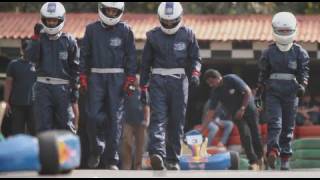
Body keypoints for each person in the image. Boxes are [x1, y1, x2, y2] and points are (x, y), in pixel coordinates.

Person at [140, 2, 202, 170]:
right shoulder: (152, 36)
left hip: (179, 81)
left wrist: (195, 74)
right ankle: (157, 155)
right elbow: (145, 63)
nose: (168, 24)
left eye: (171, 21)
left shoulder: (188, 34)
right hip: (158, 80)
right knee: (158, 119)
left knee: (176, 120)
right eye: (165, 21)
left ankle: (173, 159)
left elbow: (196, 58)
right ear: (160, 19)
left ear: (179, 18)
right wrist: (142, 86)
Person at [80, 2, 137, 170]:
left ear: (119, 11)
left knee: (115, 119)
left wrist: (130, 79)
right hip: (96, 76)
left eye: (114, 11)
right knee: (91, 115)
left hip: (117, 78)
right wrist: (82, 75)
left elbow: (131, 57)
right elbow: (84, 55)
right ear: (102, 9)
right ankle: (97, 148)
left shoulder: (126, 30)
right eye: (108, 10)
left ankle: (112, 159)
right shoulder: (91, 29)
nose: (111, 13)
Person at [256, 12, 310, 170]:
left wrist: (303, 86)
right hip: (273, 91)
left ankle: (285, 157)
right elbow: (262, 75)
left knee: (288, 126)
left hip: (292, 92)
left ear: (293, 30)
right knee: (275, 123)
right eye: (282, 31)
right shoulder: (268, 52)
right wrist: (258, 94)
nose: (285, 34)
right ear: (275, 30)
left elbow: (304, 72)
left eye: (287, 31)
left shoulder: (300, 52)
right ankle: (272, 151)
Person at [29, 2, 80, 134]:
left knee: (66, 127)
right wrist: (35, 38)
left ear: (61, 19)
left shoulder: (69, 41)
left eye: (54, 20)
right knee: (43, 128)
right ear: (43, 20)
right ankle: (45, 155)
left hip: (63, 90)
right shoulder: (39, 39)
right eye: (48, 20)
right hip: (42, 88)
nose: (51, 23)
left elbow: (75, 69)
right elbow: (31, 58)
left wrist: (74, 94)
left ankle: (67, 155)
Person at [200, 69, 264, 171]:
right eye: (209, 84)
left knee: (255, 134)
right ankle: (253, 162)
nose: (211, 85)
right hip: (236, 115)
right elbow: (210, 112)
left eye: (212, 82)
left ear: (217, 77)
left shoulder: (231, 79)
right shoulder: (215, 92)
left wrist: (242, 108)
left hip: (249, 109)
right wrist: (202, 129)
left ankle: (260, 158)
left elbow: (247, 91)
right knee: (245, 135)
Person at [3, 39, 37, 135]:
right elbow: (8, 84)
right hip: (17, 105)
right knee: (17, 133)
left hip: (33, 105)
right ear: (21, 50)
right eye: (26, 50)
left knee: (34, 132)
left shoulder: (38, 65)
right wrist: (6, 102)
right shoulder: (13, 64)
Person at [121, 76, 150, 170]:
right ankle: (126, 166)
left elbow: (147, 106)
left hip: (141, 123)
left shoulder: (144, 91)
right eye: (135, 79)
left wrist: (147, 120)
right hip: (128, 121)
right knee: (126, 143)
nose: (137, 80)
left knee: (140, 146)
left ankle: (138, 167)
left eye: (138, 79)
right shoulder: (129, 90)